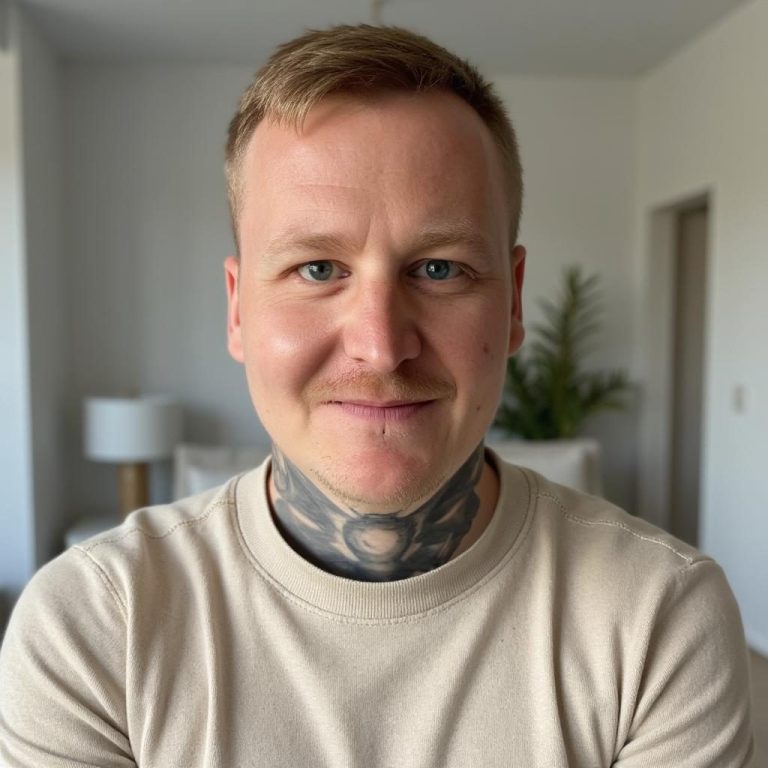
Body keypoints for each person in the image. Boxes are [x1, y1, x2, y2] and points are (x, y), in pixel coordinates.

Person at [0, 24, 754, 768]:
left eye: (439, 269)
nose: (382, 345)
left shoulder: (659, 617)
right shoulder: (96, 625)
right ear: (238, 310)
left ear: (514, 302)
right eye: (318, 269)